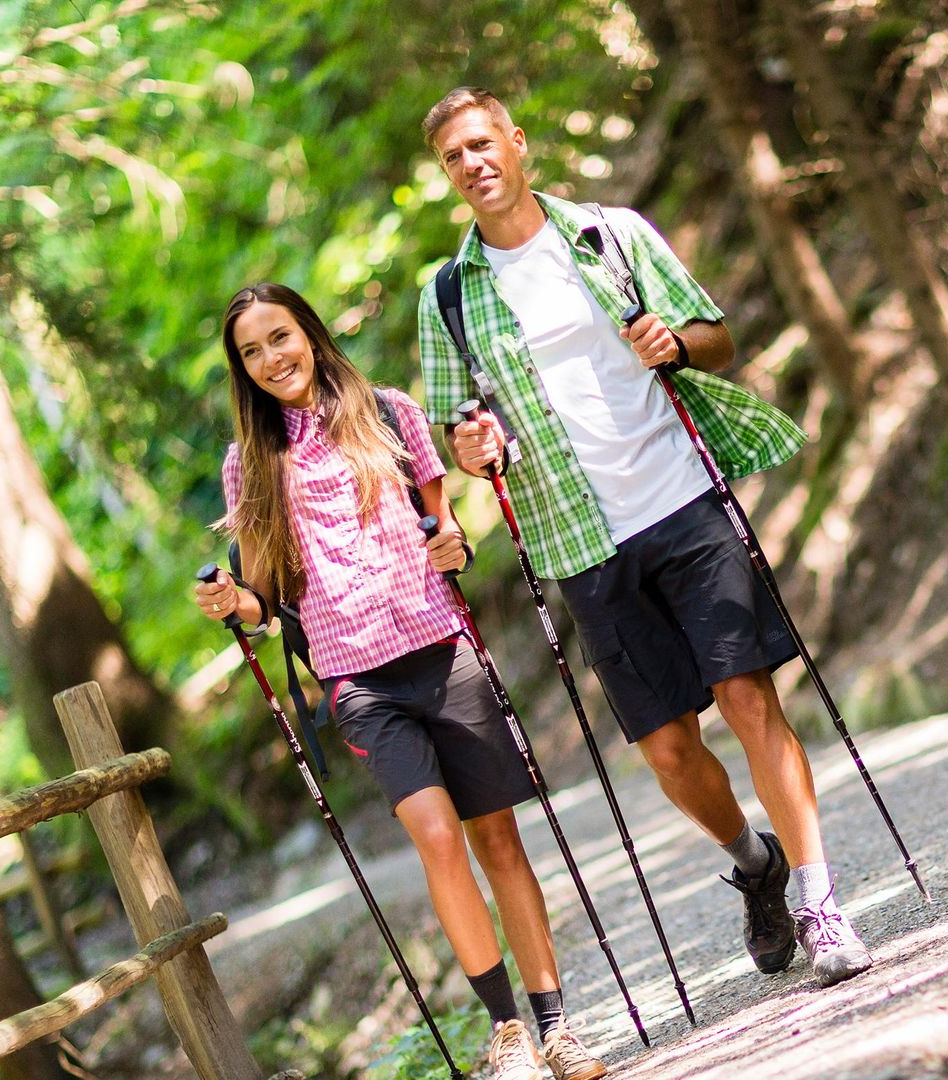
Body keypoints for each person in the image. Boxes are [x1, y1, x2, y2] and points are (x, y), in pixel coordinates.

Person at [414, 86, 875, 988]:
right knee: (668, 749)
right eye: (452, 159)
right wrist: (471, 449)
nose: (473, 164)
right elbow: (455, 433)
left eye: (482, 144)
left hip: (682, 498)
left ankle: (822, 908)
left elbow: (720, 339)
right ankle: (756, 864)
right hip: (583, 541)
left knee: (749, 703)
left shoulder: (609, 235)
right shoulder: (448, 297)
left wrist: (677, 343)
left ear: (517, 143)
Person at [192, 283, 608, 1080]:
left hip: (442, 651)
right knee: (437, 837)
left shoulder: (388, 412)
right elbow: (268, 598)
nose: (272, 358)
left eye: (280, 337)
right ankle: (507, 1032)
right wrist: (232, 602)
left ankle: (557, 1026)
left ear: (309, 334)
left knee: (498, 838)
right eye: (252, 351)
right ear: (242, 370)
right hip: (359, 682)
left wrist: (452, 544)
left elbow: (444, 528)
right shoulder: (248, 464)